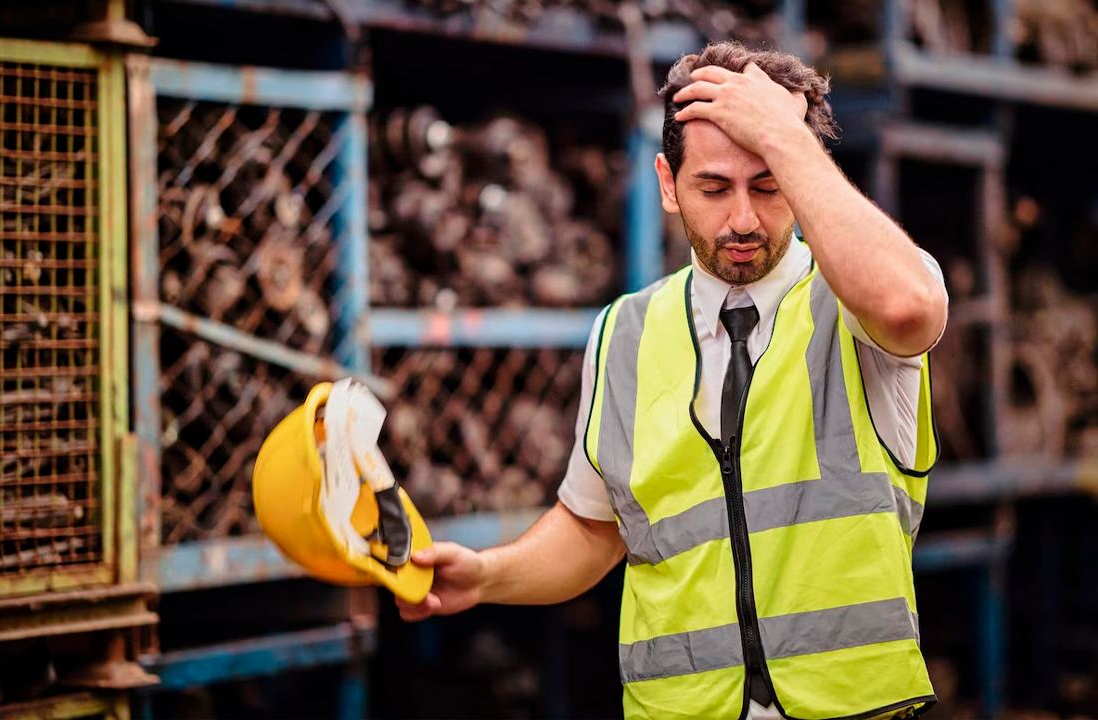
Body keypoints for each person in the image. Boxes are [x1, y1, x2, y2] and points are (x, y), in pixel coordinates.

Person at [398, 41, 949, 720]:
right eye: (713, 188)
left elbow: (908, 307)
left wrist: (785, 137)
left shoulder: (856, 303)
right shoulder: (625, 333)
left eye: (769, 184)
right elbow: (595, 529)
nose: (742, 219)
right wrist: (488, 576)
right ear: (668, 184)